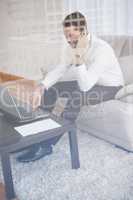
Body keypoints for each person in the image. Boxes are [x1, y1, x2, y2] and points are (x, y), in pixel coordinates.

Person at [17, 11, 124, 163]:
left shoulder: (102, 50)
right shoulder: (72, 45)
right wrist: (41, 86)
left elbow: (85, 87)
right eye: (65, 34)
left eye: (70, 34)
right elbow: (61, 69)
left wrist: (78, 57)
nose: (67, 39)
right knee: (52, 88)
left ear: (83, 31)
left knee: (77, 96)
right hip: (90, 81)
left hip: (110, 86)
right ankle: (39, 135)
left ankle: (46, 146)